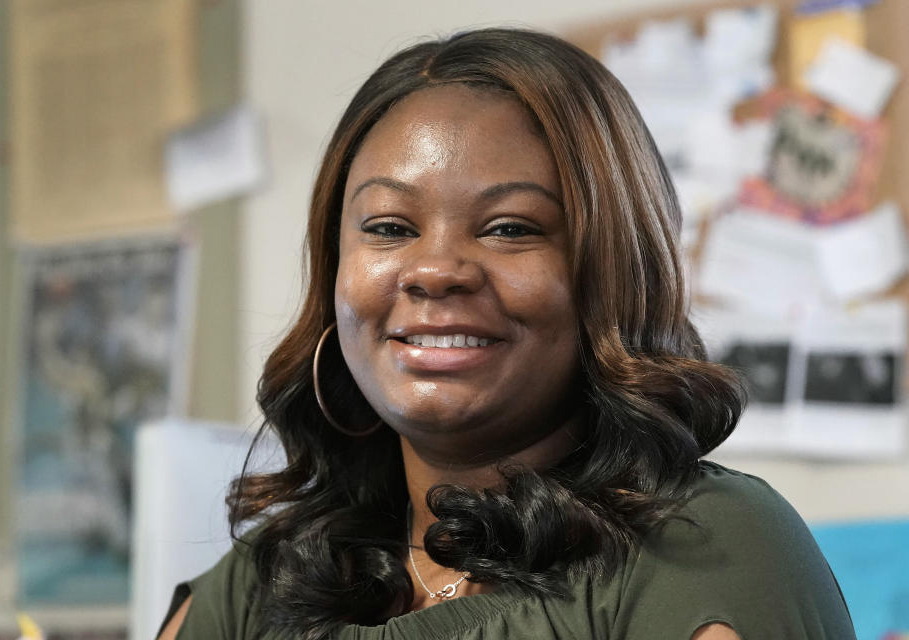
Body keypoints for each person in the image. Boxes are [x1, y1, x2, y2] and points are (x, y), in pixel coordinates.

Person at [158, 28, 855, 640]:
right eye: (390, 228)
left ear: (614, 275)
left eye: (511, 228)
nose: (434, 271)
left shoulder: (709, 547)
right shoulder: (258, 591)